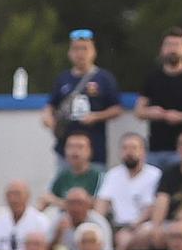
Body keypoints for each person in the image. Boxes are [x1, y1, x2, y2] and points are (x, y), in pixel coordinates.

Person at [131, 27, 182, 165]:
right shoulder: (152, 77)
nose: (173, 49)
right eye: (169, 45)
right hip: (154, 150)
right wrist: (151, 112)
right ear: (161, 49)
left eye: (177, 45)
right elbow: (138, 111)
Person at [43, 28, 123, 160]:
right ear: (69, 53)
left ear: (94, 52)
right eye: (75, 49)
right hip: (65, 150)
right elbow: (51, 105)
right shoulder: (62, 78)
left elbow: (117, 109)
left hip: (95, 150)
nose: (80, 53)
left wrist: (96, 116)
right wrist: (48, 118)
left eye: (85, 48)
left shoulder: (104, 78)